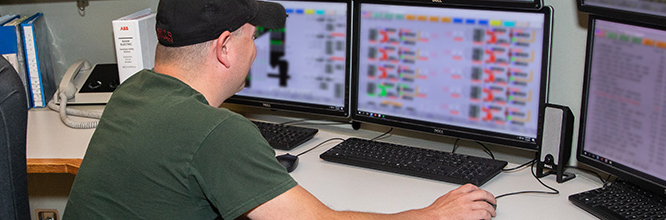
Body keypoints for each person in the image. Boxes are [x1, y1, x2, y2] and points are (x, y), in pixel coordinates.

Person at [63, 0, 498, 219]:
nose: (257, 51)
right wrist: (430, 215)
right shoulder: (215, 132)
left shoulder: (134, 91)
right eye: (254, 37)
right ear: (225, 47)